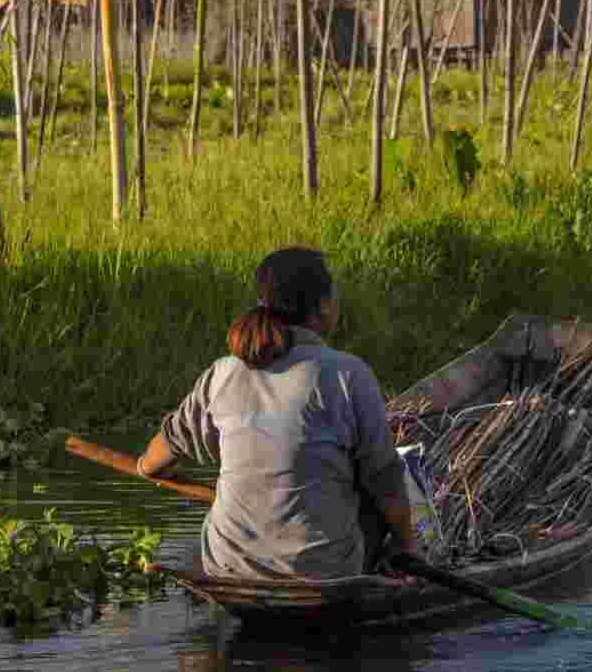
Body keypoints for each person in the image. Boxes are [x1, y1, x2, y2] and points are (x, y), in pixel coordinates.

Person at [133, 247, 421, 580]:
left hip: (228, 565)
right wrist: (406, 548)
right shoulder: (348, 374)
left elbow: (164, 451)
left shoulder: (222, 373)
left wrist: (144, 467)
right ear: (323, 306)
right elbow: (384, 477)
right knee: (375, 494)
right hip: (324, 569)